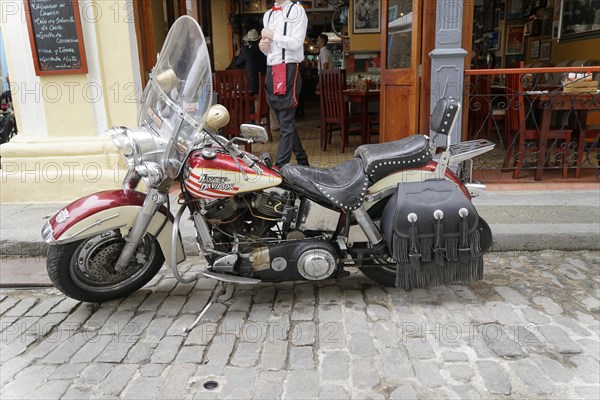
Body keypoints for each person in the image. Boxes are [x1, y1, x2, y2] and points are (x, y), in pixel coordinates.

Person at [260, 0, 309, 167]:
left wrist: (273, 36)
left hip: (288, 69)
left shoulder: (297, 11)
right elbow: (269, 50)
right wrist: (262, 46)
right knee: (284, 122)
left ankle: (279, 167)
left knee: (286, 121)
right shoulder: (268, 14)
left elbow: (296, 43)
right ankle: (302, 160)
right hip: (271, 70)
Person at [232, 29, 267, 95]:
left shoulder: (247, 52)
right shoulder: (263, 52)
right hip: (263, 87)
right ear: (258, 40)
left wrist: (236, 56)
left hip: (249, 88)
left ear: (248, 41)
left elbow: (236, 64)